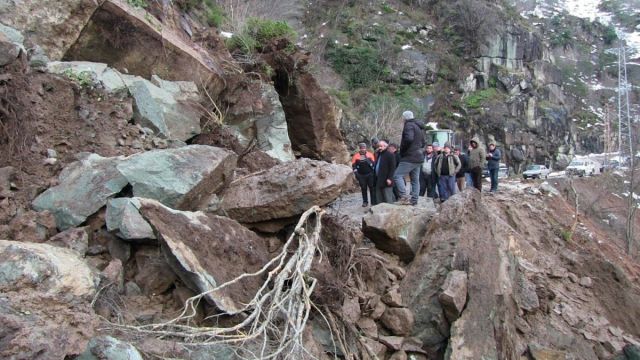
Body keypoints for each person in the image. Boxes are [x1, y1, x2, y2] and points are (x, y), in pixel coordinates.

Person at [394, 110, 425, 205]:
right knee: (415, 179)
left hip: (410, 157)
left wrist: (403, 150)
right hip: (419, 157)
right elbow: (423, 142)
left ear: (405, 117)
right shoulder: (419, 127)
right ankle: (414, 200)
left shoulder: (409, 125)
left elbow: (408, 139)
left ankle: (404, 197)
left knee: (397, 175)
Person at [351, 143, 376, 207]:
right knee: (363, 188)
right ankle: (365, 202)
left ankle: (373, 202)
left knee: (372, 188)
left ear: (366, 148)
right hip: (361, 175)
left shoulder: (370, 154)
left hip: (370, 174)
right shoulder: (356, 156)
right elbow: (354, 166)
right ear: (359, 148)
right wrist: (357, 174)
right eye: (362, 148)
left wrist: (368, 161)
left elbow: (374, 164)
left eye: (364, 148)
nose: (363, 149)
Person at [373, 139, 397, 204]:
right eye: (378, 146)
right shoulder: (379, 154)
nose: (379, 148)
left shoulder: (390, 154)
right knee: (379, 198)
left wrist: (389, 178)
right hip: (379, 179)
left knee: (388, 198)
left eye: (381, 146)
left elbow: (392, 168)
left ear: (385, 146)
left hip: (386, 180)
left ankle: (391, 212)